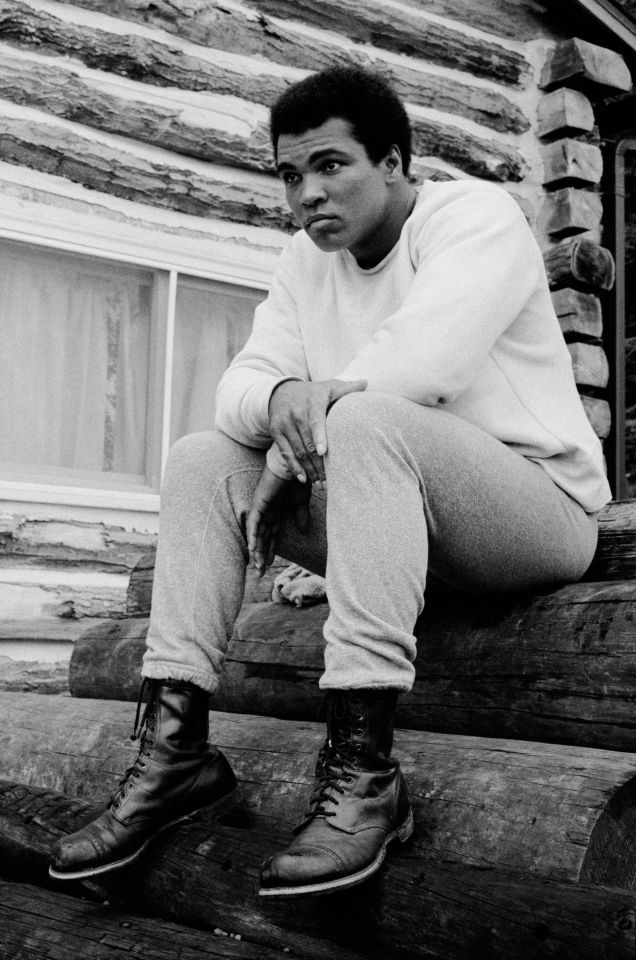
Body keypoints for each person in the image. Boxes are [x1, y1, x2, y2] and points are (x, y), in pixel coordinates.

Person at [49, 65, 612, 898]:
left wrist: (289, 447)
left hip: (537, 513)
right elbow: (236, 391)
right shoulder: (302, 265)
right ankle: (175, 754)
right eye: (289, 175)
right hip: (402, 517)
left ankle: (365, 773)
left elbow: (424, 368)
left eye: (329, 165)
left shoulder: (475, 218)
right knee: (202, 456)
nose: (306, 194)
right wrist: (281, 398)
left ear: (392, 162)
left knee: (364, 418)